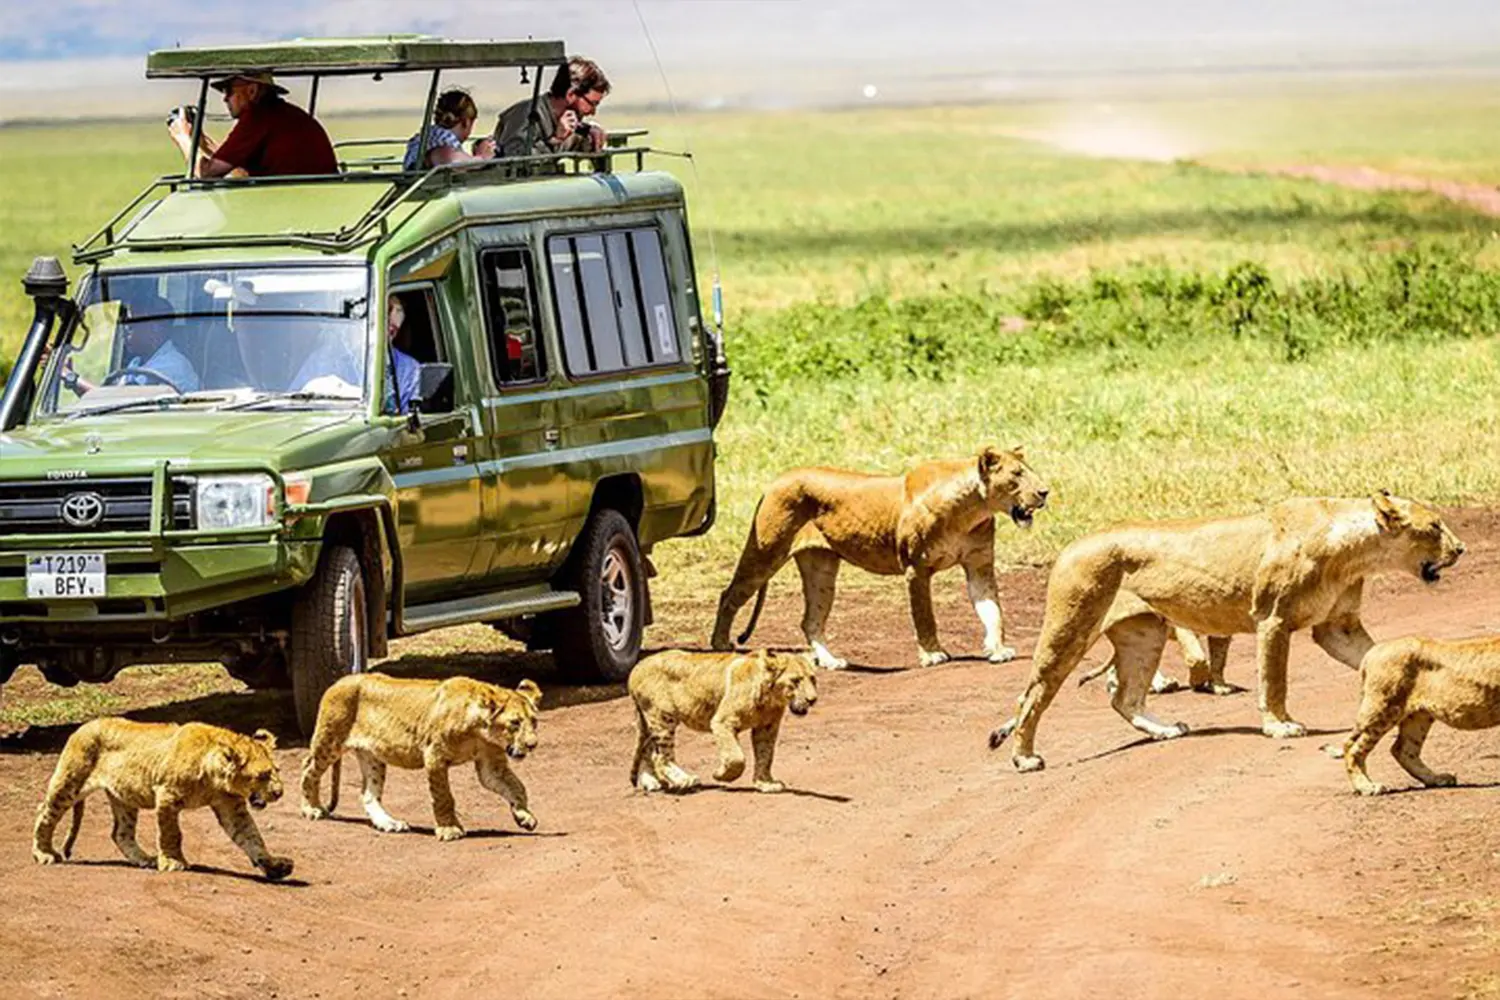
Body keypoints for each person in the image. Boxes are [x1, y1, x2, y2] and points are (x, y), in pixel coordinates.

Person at [166, 71, 337, 178]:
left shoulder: (258, 116)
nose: (225, 98)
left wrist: (182, 137)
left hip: (290, 203)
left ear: (252, 91)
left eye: (229, 91)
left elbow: (206, 173)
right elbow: (235, 167)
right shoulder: (284, 114)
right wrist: (201, 141)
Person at [291, 295, 418, 411]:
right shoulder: (322, 360)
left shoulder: (409, 369)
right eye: (388, 307)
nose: (392, 317)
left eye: (399, 309)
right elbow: (292, 403)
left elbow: (407, 422)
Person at [60, 297, 200, 396]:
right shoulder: (138, 362)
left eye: (132, 325)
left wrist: (70, 377)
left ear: (155, 328)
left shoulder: (172, 366)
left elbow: (113, 402)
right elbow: (101, 405)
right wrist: (69, 376)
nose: (125, 331)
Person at [495, 57, 610, 158]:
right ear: (570, 94)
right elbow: (518, 163)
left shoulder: (565, 120)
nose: (593, 112)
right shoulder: (526, 115)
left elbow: (577, 143)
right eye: (592, 104)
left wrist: (591, 135)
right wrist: (555, 140)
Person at [404, 88, 497, 171]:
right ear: (466, 122)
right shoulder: (444, 139)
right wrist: (481, 158)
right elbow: (449, 158)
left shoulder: (429, 136)